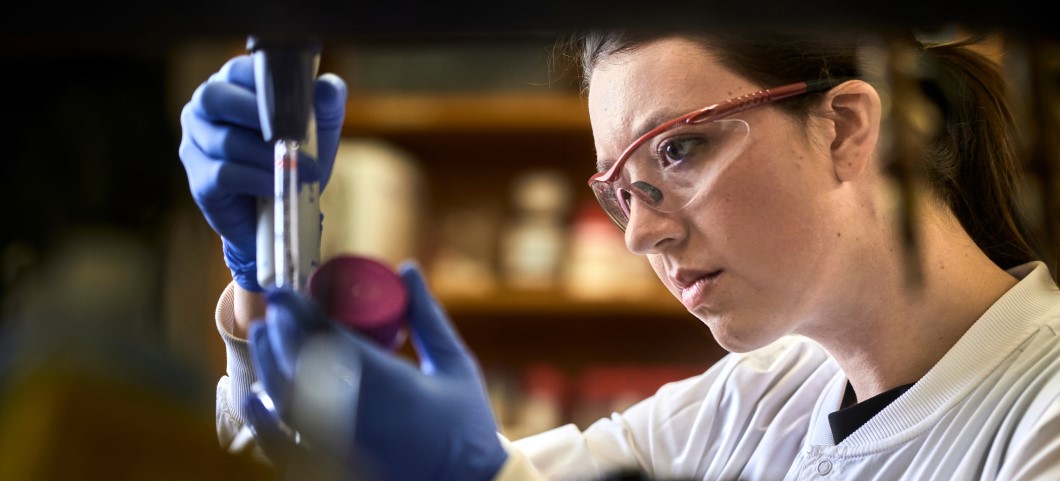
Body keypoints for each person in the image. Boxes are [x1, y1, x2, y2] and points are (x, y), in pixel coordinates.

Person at [178, 26, 1060, 481]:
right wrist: (268, 276)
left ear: (844, 126)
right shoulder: (752, 403)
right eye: (620, 186)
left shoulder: (1041, 410)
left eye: (677, 150)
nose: (642, 231)